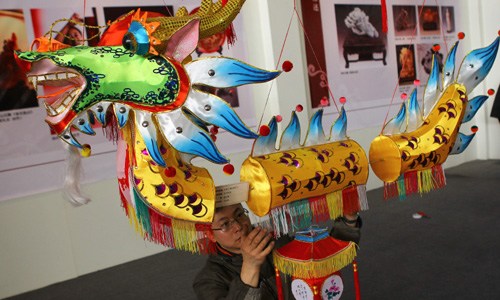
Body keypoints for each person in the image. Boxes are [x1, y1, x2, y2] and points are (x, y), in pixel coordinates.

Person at [192, 199, 362, 299]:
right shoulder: (208, 280)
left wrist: (349, 219)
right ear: (210, 235)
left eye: (239, 214)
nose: (238, 226)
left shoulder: (277, 241)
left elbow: (324, 260)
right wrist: (250, 265)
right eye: (225, 224)